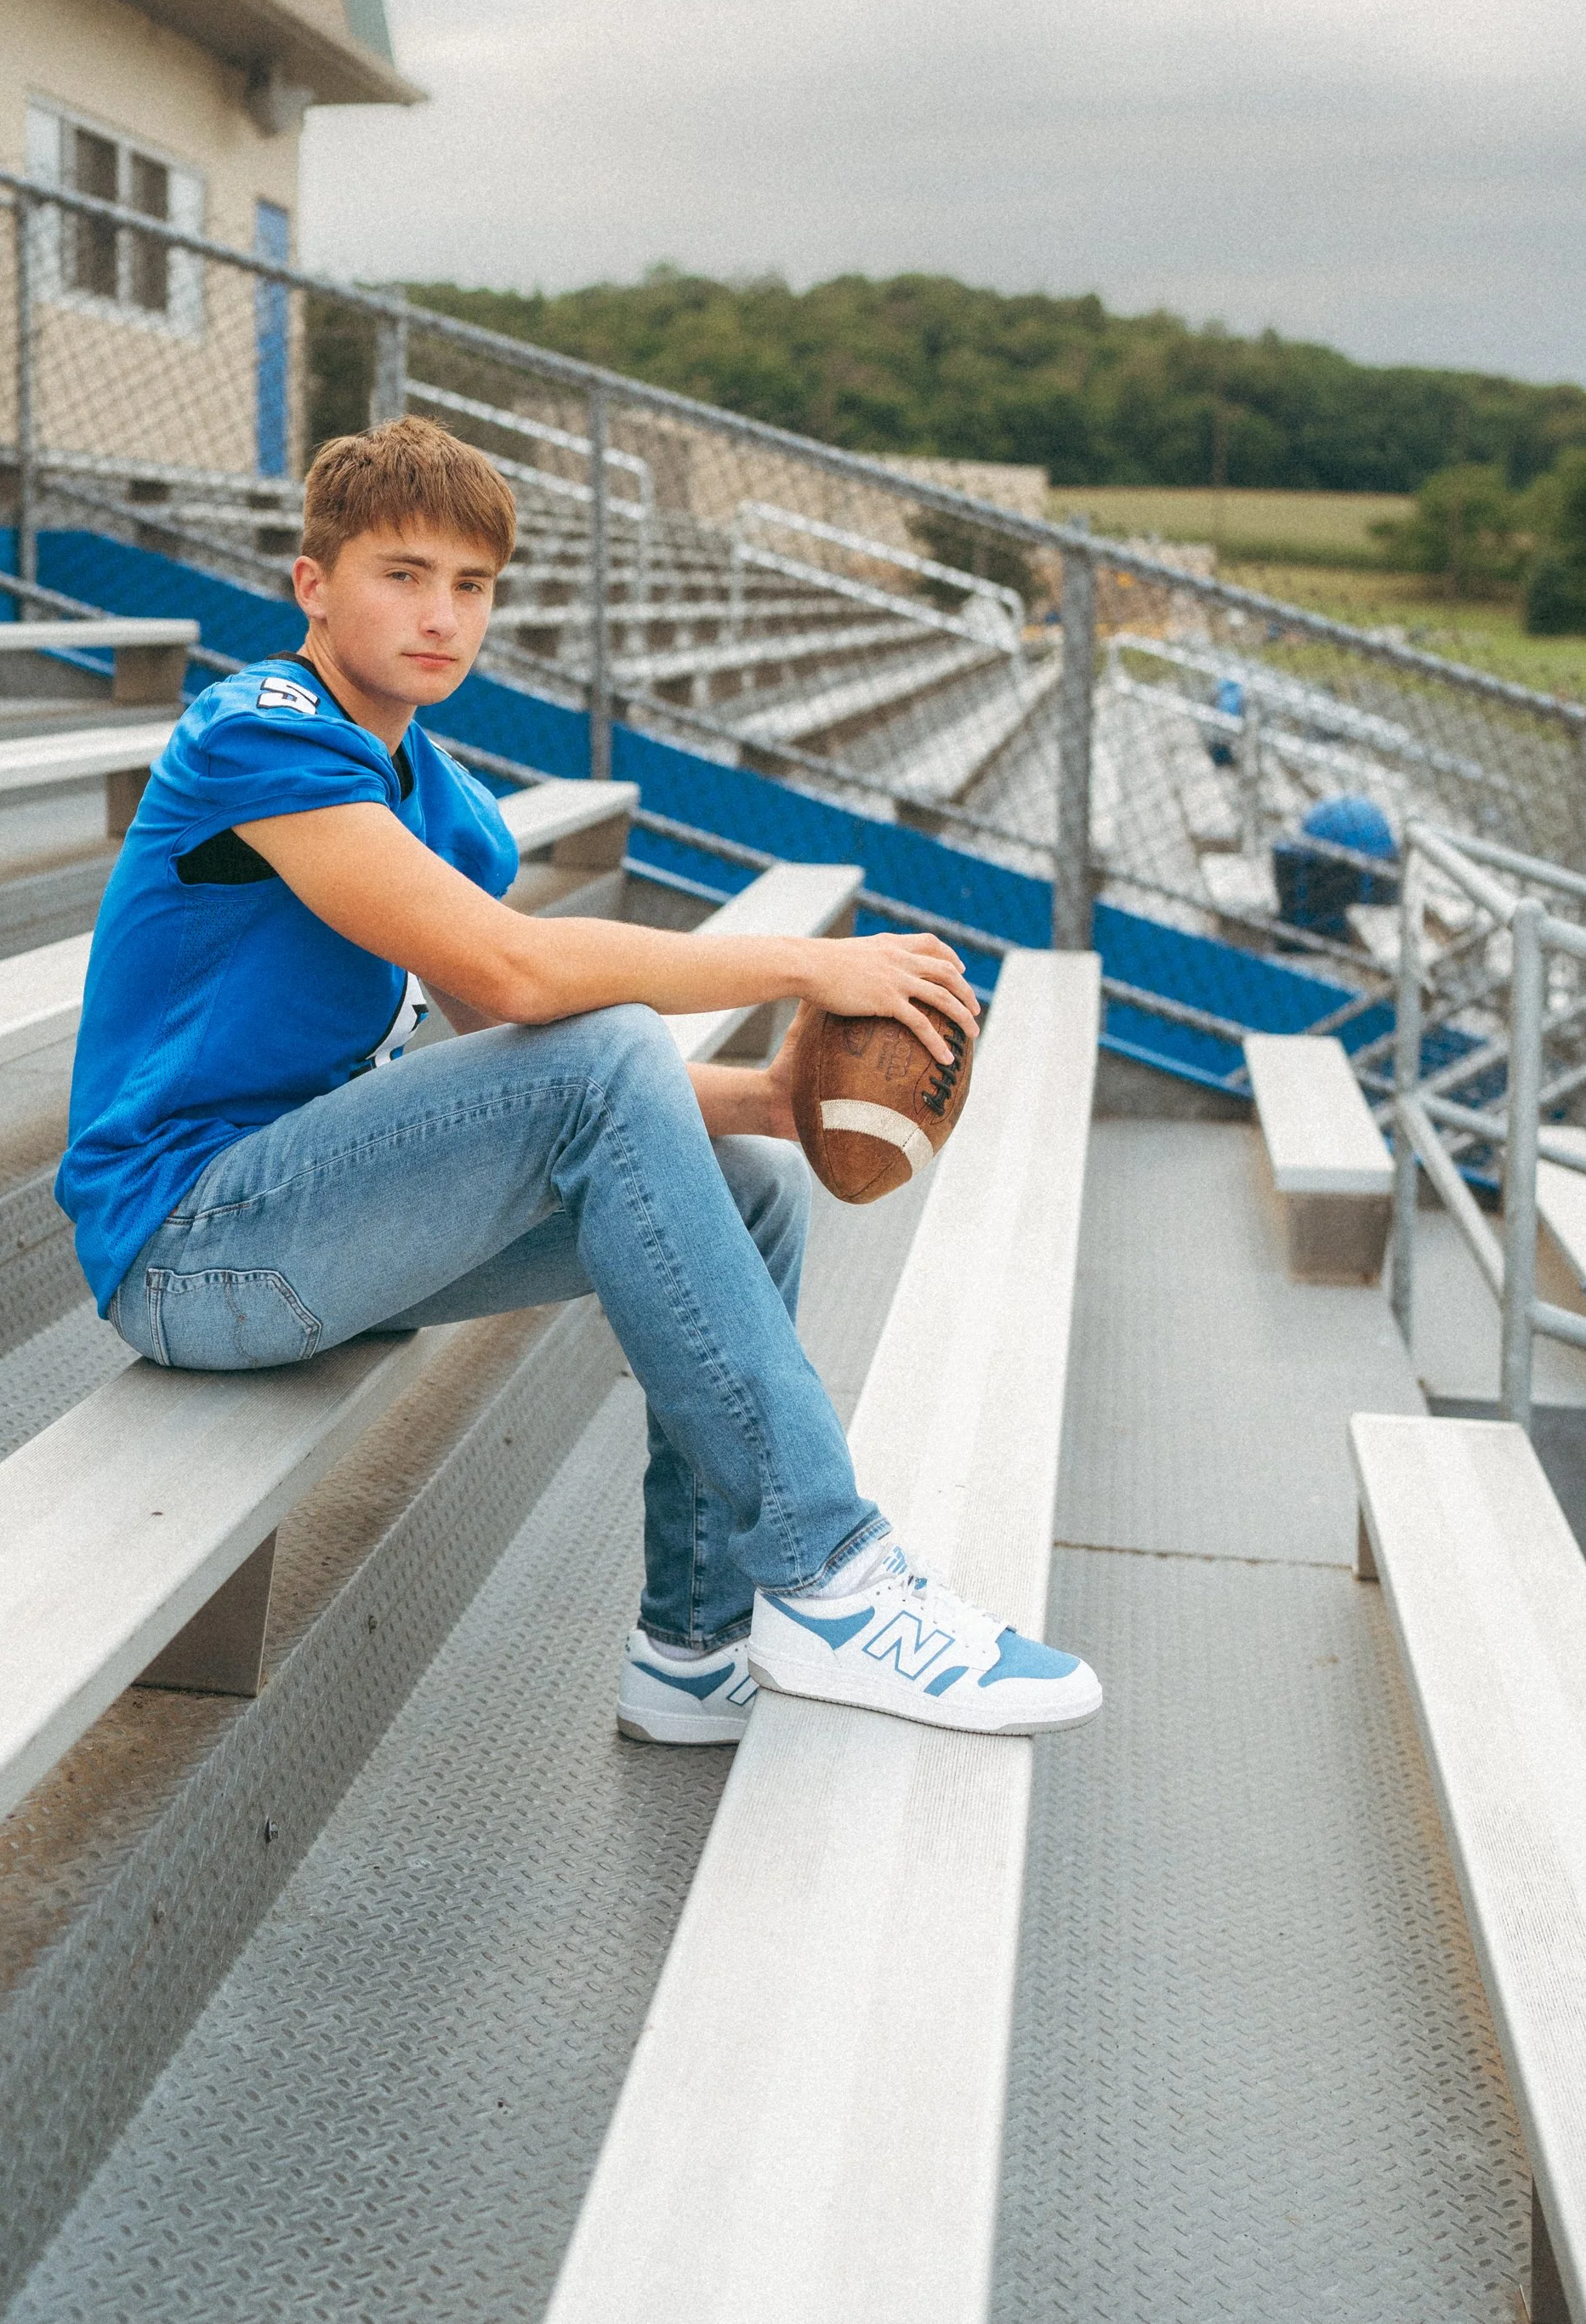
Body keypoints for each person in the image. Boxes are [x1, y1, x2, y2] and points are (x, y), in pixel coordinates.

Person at [58, 416, 1100, 1745]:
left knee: (755, 1183)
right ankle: (832, 1574)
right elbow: (524, 981)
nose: (442, 615)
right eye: (403, 573)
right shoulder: (255, 734)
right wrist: (801, 962)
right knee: (609, 1052)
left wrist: (771, 1100)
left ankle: (699, 1643)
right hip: (191, 1247)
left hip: (315, 1226)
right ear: (312, 585)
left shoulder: (435, 794)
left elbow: (486, 1051)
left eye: (473, 585)